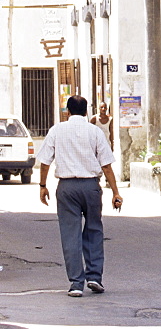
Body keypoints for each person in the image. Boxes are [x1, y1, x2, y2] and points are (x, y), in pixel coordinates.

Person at [35, 95, 123, 297]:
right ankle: (94, 277)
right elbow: (106, 165)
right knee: (93, 229)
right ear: (86, 112)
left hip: (66, 187)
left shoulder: (56, 130)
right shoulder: (94, 132)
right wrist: (116, 192)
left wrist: (42, 186)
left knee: (70, 234)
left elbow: (45, 162)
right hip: (91, 186)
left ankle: (76, 284)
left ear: (67, 111)